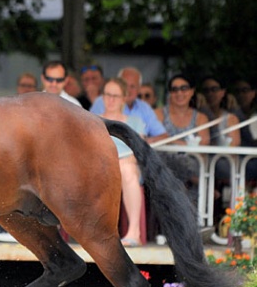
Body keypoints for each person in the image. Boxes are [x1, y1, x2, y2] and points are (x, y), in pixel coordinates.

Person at [100, 78, 146, 247]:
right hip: (99, 167)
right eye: (107, 94)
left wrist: (119, 162)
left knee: (127, 171)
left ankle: (134, 231)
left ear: (124, 98)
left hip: (127, 167)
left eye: (115, 95)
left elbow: (139, 153)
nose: (110, 99)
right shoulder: (92, 120)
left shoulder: (135, 122)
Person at [155, 74, 210, 205]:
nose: (179, 93)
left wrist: (171, 141)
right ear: (170, 93)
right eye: (175, 89)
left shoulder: (201, 118)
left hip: (191, 167)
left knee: (187, 164)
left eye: (184, 88)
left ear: (192, 91)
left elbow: (204, 146)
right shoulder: (159, 113)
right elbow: (153, 139)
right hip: (164, 166)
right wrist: (185, 145)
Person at [91, 67, 167, 144]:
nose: (128, 90)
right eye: (124, 85)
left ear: (139, 88)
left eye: (132, 86)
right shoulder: (101, 102)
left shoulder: (144, 108)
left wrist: (145, 142)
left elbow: (163, 136)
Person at [199, 76, 240, 147]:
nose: (210, 94)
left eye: (214, 89)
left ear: (222, 92)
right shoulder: (197, 116)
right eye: (206, 90)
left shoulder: (230, 118)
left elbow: (233, 147)